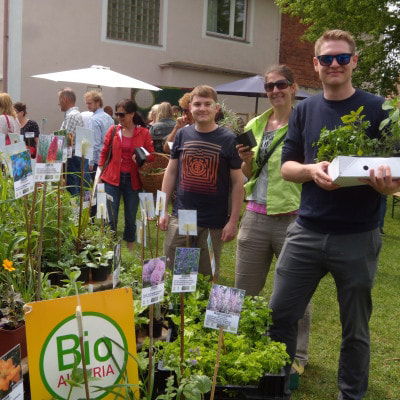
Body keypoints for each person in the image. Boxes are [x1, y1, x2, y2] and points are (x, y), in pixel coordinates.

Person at [268, 30, 400, 400]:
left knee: (355, 327)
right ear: (316, 64)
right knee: (280, 314)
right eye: (327, 59)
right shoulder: (305, 110)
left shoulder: (380, 109)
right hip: (307, 230)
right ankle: (276, 387)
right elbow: (286, 167)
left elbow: (396, 169)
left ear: (354, 61)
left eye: (342, 58)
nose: (335, 65)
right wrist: (311, 171)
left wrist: (388, 185)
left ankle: (350, 395)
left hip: (358, 236)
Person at [234, 65, 310, 369]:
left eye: (281, 85)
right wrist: (247, 160)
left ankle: (297, 357)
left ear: (293, 87)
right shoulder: (255, 124)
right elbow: (248, 173)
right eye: (269, 87)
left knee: (296, 293)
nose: (275, 91)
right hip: (255, 215)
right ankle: (240, 344)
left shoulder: (305, 122)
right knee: (243, 288)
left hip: (293, 218)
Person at [159, 85, 243, 277]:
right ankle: (178, 307)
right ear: (189, 108)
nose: (202, 108)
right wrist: (162, 209)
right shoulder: (182, 134)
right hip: (183, 217)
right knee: (179, 273)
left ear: (216, 108)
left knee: (206, 275)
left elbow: (238, 183)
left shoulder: (228, 139)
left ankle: (202, 307)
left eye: (207, 104)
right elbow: (171, 171)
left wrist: (232, 221)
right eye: (197, 104)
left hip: (213, 222)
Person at [98, 99, 154, 251]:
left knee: (130, 216)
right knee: (110, 216)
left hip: (133, 180)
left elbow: (151, 155)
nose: (119, 118)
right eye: (117, 114)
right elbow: (104, 152)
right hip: (111, 179)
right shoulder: (113, 130)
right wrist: (98, 176)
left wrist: (143, 157)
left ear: (132, 114)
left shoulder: (143, 132)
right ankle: (110, 249)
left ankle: (130, 247)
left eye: (122, 114)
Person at [59, 88, 90, 196]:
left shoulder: (72, 115)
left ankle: (75, 212)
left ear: (65, 99)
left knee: (73, 190)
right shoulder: (74, 114)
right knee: (78, 186)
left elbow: (67, 139)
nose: (58, 103)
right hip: (77, 156)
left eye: (60, 99)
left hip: (72, 158)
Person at [83, 91, 114, 175]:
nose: (88, 106)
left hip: (98, 160)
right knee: (104, 186)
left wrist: (91, 162)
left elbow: (94, 143)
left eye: (90, 103)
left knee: (97, 186)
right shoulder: (109, 118)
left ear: (98, 102)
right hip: (108, 158)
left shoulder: (94, 120)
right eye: (87, 103)